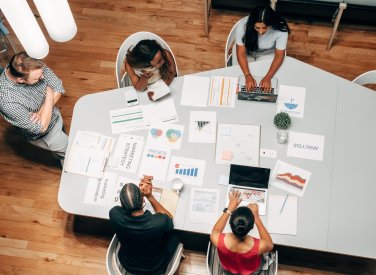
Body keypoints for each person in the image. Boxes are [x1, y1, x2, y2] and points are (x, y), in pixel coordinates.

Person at [0, 51, 67, 162]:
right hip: (47, 135)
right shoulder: (6, 101)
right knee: (69, 153)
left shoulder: (32, 65)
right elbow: (41, 127)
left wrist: (40, 113)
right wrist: (49, 95)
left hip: (54, 115)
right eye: (37, 78)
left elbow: (58, 87)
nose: (43, 77)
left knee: (64, 145)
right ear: (20, 80)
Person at [109, 175, 180, 275]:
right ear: (143, 201)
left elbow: (121, 209)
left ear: (121, 205)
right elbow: (169, 218)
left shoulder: (114, 214)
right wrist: (149, 196)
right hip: (154, 269)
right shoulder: (158, 223)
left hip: (127, 263)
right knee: (174, 237)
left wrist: (135, 198)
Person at [210, 191, 274, 275]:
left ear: (230, 223)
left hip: (228, 269)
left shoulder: (217, 239)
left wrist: (229, 209)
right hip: (250, 271)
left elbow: (215, 231)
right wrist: (257, 218)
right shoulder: (259, 246)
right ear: (252, 227)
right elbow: (270, 244)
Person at [235, 5, 290, 92]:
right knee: (241, 79)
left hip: (267, 53)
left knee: (266, 80)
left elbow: (279, 55)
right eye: (257, 27)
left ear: (271, 23)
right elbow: (240, 53)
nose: (261, 32)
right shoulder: (243, 25)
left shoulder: (281, 30)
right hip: (247, 52)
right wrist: (247, 75)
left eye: (265, 27)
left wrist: (268, 76)